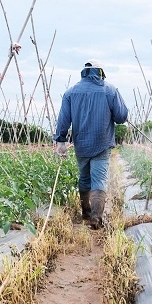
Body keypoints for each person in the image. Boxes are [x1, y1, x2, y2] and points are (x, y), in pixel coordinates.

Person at [54, 59, 129, 229]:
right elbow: (121, 117)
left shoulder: (70, 93)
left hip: (81, 144)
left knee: (85, 178)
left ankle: (86, 213)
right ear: (100, 72)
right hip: (102, 143)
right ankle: (96, 218)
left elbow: (63, 120)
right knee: (99, 179)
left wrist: (61, 142)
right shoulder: (110, 90)